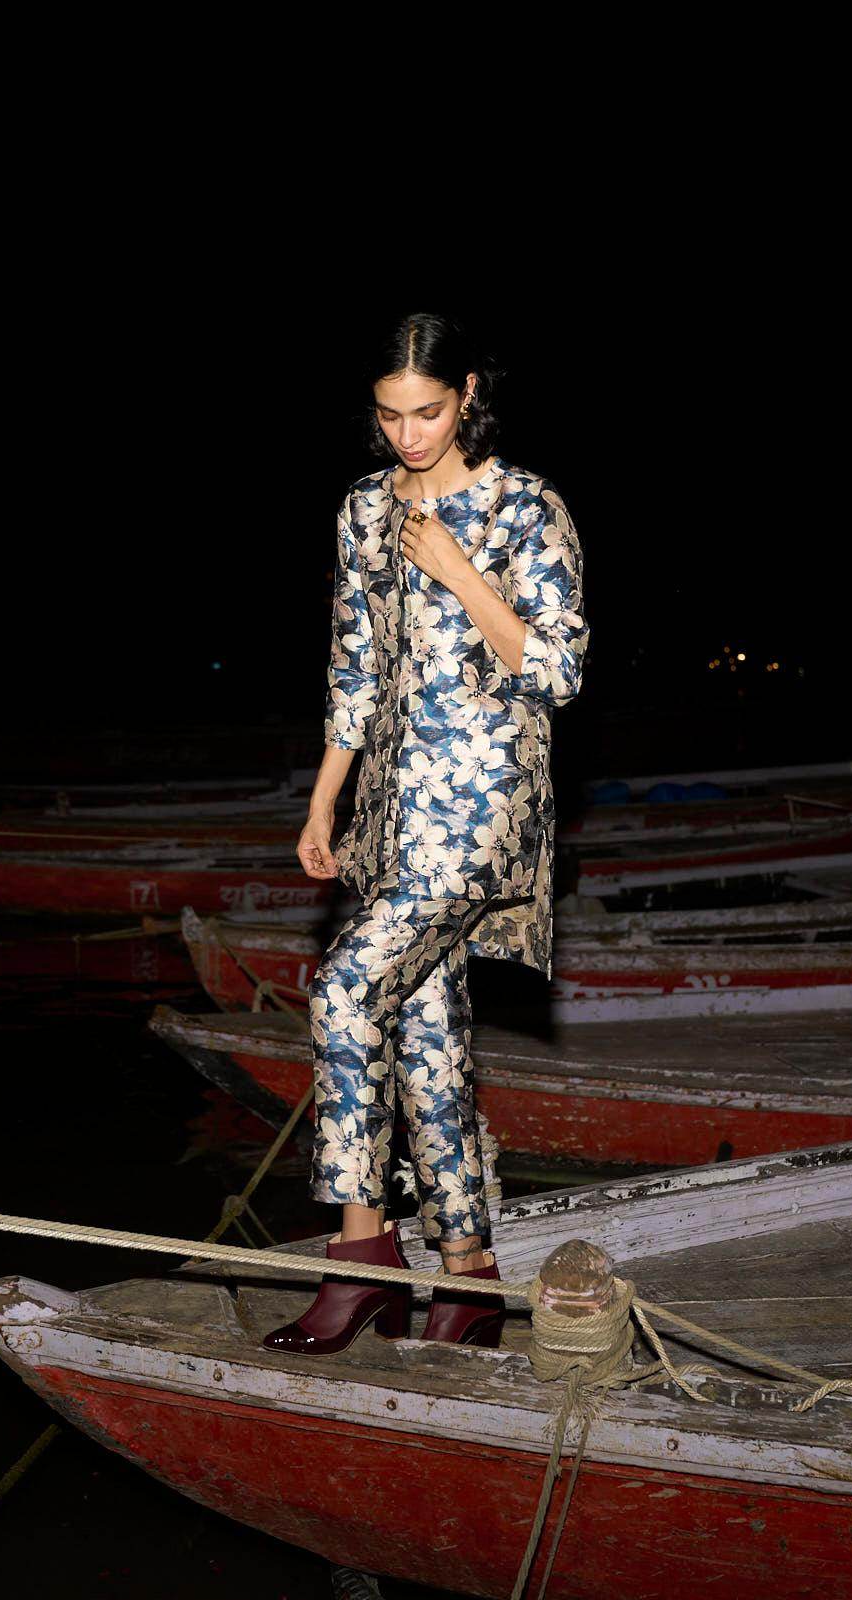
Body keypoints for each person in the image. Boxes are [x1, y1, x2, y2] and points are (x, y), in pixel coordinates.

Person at [262, 312, 590, 1356]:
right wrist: (324, 799)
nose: (407, 434)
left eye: (428, 412)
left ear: (468, 394)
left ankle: (358, 1255)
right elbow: (354, 667)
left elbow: (557, 670)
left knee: (346, 991)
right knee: (425, 1036)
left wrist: (460, 571)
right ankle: (469, 1275)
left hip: (484, 809)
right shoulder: (364, 507)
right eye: (389, 414)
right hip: (391, 814)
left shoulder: (523, 504)